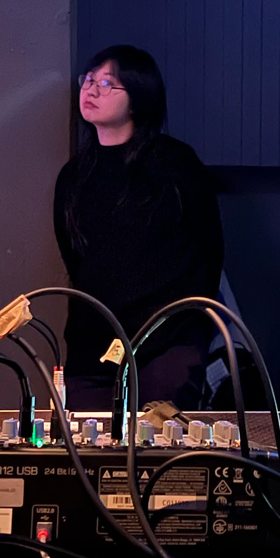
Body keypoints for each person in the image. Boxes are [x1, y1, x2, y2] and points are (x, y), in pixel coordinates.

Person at [54, 46, 224, 411]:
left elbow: (209, 249)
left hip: (169, 341)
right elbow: (74, 256)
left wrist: (187, 325)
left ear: (138, 96)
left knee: (159, 437)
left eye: (106, 83)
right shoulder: (74, 175)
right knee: (86, 439)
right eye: (88, 80)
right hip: (93, 344)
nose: (91, 90)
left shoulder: (175, 163)